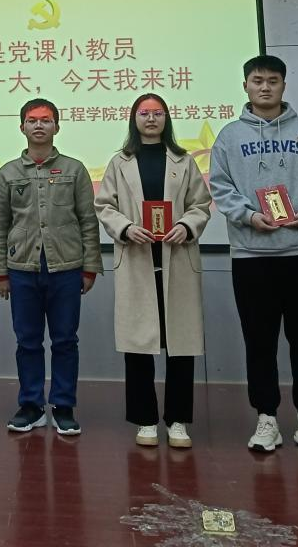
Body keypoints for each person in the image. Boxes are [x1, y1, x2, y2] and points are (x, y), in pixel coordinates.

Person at [208, 55, 298, 455]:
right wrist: (249, 216)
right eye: (257, 80)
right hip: (252, 256)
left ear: (284, 85)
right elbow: (221, 188)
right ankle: (266, 417)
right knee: (259, 340)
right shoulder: (229, 136)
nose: (265, 87)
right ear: (245, 86)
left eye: (273, 80)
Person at [95, 93, 212, 448]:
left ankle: (177, 420)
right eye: (144, 113)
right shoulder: (120, 162)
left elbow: (200, 204)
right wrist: (126, 228)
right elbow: (105, 205)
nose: (151, 118)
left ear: (166, 119)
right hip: (137, 258)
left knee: (181, 344)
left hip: (177, 259)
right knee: (138, 344)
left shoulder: (183, 161)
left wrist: (187, 226)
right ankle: (145, 420)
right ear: (134, 119)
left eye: (157, 113)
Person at [0, 97, 102, 435]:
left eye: (46, 120)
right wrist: (0, 272)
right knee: (27, 341)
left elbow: (88, 221)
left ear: (57, 126)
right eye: (32, 120)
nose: (39, 125)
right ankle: (31, 405)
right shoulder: (8, 173)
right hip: (21, 269)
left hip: (66, 268)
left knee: (65, 340)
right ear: (22, 127)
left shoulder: (74, 170)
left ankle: (63, 406)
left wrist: (90, 267)